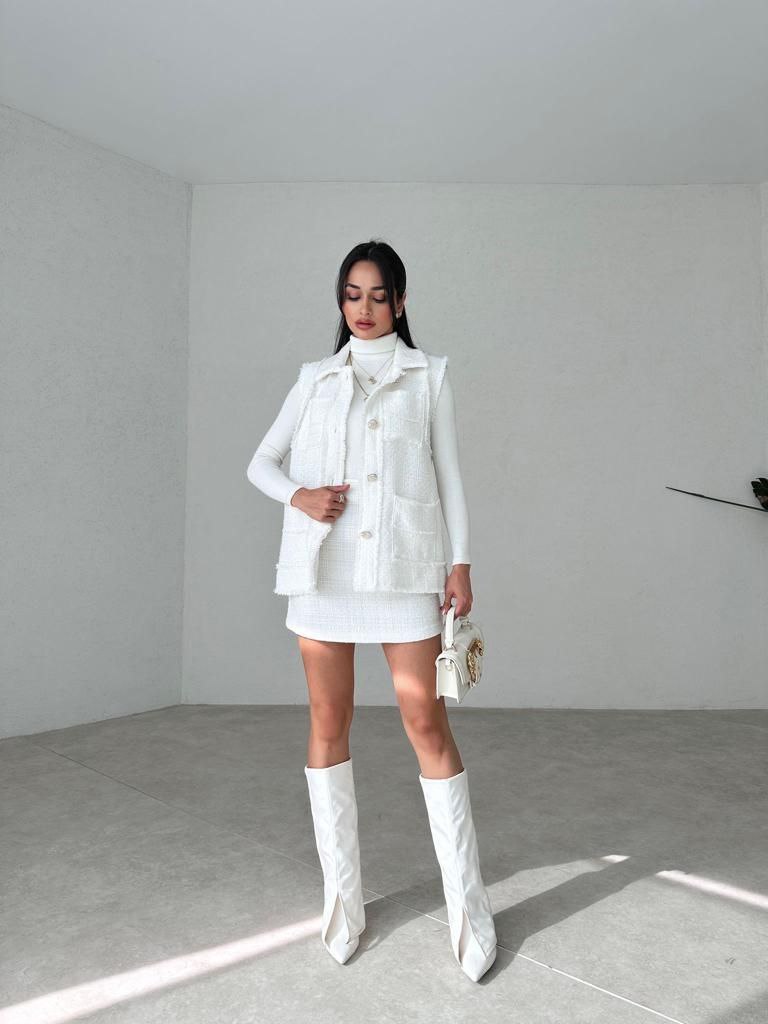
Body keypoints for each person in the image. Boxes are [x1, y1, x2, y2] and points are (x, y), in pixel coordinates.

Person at [246, 239, 497, 981]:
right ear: (340, 300)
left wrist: (460, 562)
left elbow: (450, 475)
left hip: (405, 569)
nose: (364, 308)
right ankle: (342, 902)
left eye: (379, 295)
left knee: (426, 721)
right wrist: (300, 495)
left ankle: (469, 909)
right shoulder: (314, 379)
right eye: (352, 294)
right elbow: (261, 462)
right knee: (328, 722)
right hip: (325, 577)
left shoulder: (430, 376)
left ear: (401, 301)